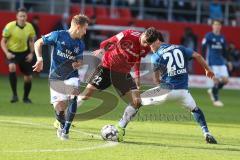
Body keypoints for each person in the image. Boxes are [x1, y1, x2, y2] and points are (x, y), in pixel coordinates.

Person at [116, 28, 218, 144]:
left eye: (151, 45)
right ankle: (206, 132)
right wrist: (207, 70)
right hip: (183, 92)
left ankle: (120, 127)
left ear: (157, 41)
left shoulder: (156, 56)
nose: (150, 48)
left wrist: (160, 84)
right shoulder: (180, 48)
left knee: (136, 102)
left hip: (166, 91)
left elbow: (156, 80)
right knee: (195, 109)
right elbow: (198, 56)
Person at [77, 28, 154, 141]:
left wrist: (137, 77)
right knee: (86, 95)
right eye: (145, 41)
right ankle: (64, 118)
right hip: (106, 68)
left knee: (137, 102)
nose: (145, 44)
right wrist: (102, 49)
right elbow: (108, 41)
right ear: (143, 34)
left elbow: (137, 60)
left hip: (123, 73)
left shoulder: (146, 47)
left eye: (148, 43)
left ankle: (121, 127)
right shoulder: (128, 34)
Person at [33, 14, 89, 140]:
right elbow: (38, 42)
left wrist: (78, 64)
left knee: (74, 96)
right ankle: (61, 124)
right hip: (56, 76)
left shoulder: (80, 44)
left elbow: (79, 62)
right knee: (59, 108)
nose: (85, 32)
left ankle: (66, 131)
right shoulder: (58, 35)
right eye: (85, 28)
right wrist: (40, 58)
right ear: (78, 27)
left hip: (71, 76)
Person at [1, 7, 36, 103]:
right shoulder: (9, 26)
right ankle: (14, 95)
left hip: (24, 53)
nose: (22, 18)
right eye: (20, 16)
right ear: (17, 16)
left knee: (28, 77)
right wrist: (7, 53)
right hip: (12, 52)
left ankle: (26, 98)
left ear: (26, 17)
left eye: (24, 16)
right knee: (12, 67)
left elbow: (31, 41)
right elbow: (3, 42)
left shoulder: (30, 27)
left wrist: (31, 53)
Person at [202, 20, 228, 107]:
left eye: (219, 25)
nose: (217, 26)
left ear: (220, 26)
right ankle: (216, 100)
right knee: (216, 80)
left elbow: (224, 51)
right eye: (215, 24)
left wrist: (228, 61)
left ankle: (212, 90)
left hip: (221, 62)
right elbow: (203, 47)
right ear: (212, 26)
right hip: (211, 62)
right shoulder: (208, 36)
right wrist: (203, 60)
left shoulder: (222, 37)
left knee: (225, 81)